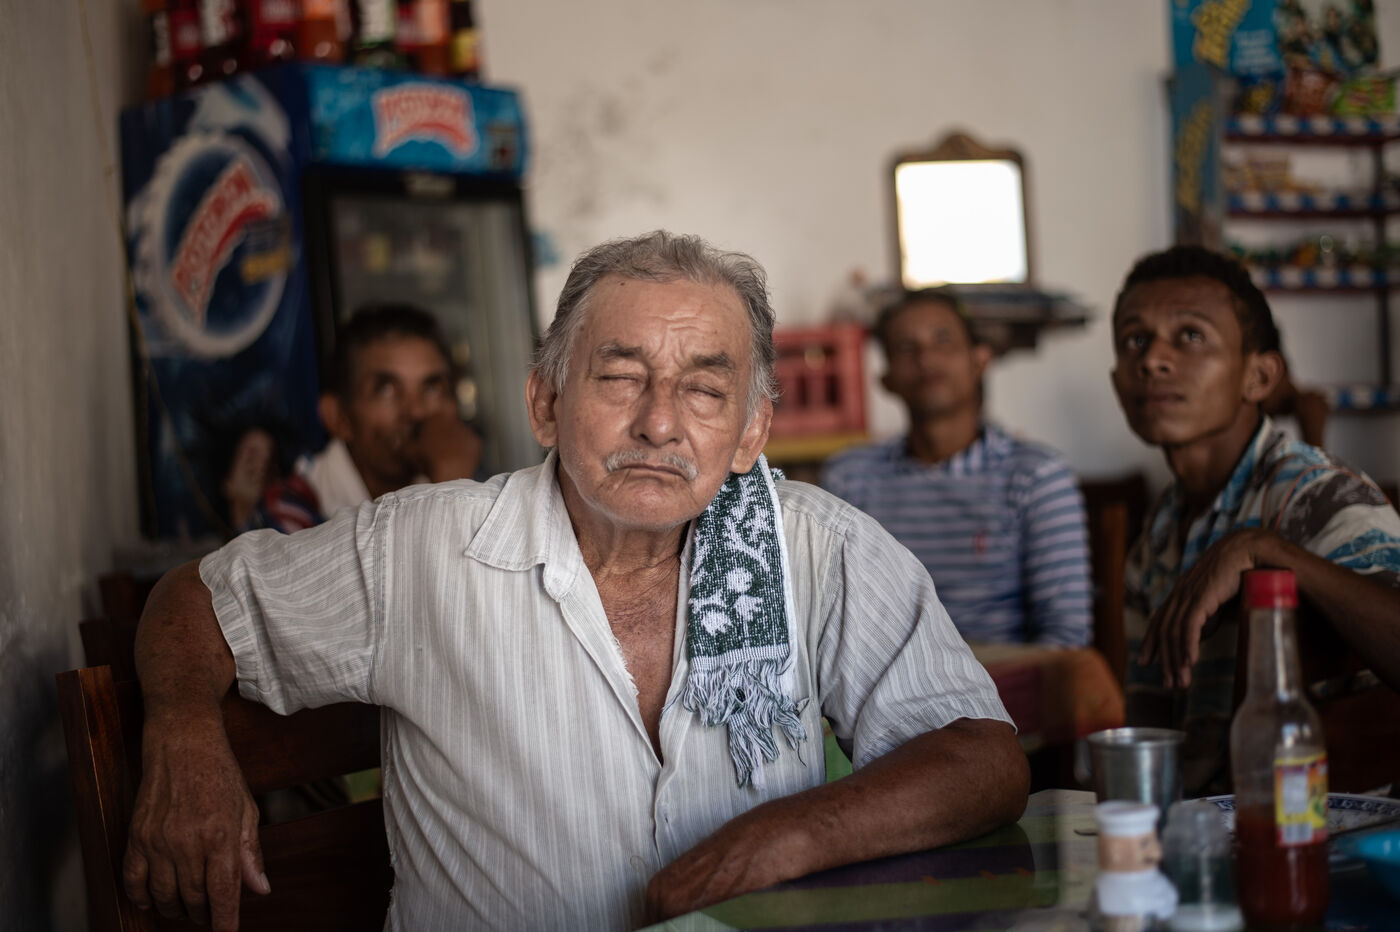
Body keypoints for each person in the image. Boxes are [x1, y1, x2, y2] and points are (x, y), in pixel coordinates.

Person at [121, 231, 1029, 932]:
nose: (660, 423)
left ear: (751, 432)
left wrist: (782, 836)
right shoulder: (421, 548)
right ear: (546, 404)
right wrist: (185, 732)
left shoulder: (814, 547)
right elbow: (195, 600)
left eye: (705, 391)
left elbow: (983, 756)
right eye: (621, 377)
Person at [1110, 244, 1400, 794]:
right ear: (1116, 382)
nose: (1152, 360)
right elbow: (1152, 730)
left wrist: (1266, 549)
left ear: (1260, 377)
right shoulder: (1158, 535)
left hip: (1338, 830)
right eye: (1134, 341)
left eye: (1191, 335)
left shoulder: (1313, 494)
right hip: (1209, 827)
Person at [821, 288, 1093, 647]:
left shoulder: (1036, 476)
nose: (926, 357)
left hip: (1006, 677)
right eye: (905, 347)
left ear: (980, 360)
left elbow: (1066, 638)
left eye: (943, 339)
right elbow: (831, 623)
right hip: (882, 680)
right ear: (886, 380)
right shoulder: (850, 478)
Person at [242, 302, 484, 533]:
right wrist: (452, 488)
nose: (416, 411)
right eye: (386, 390)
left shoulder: (463, 475)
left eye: (431, 388)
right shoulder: (288, 514)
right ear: (338, 417)